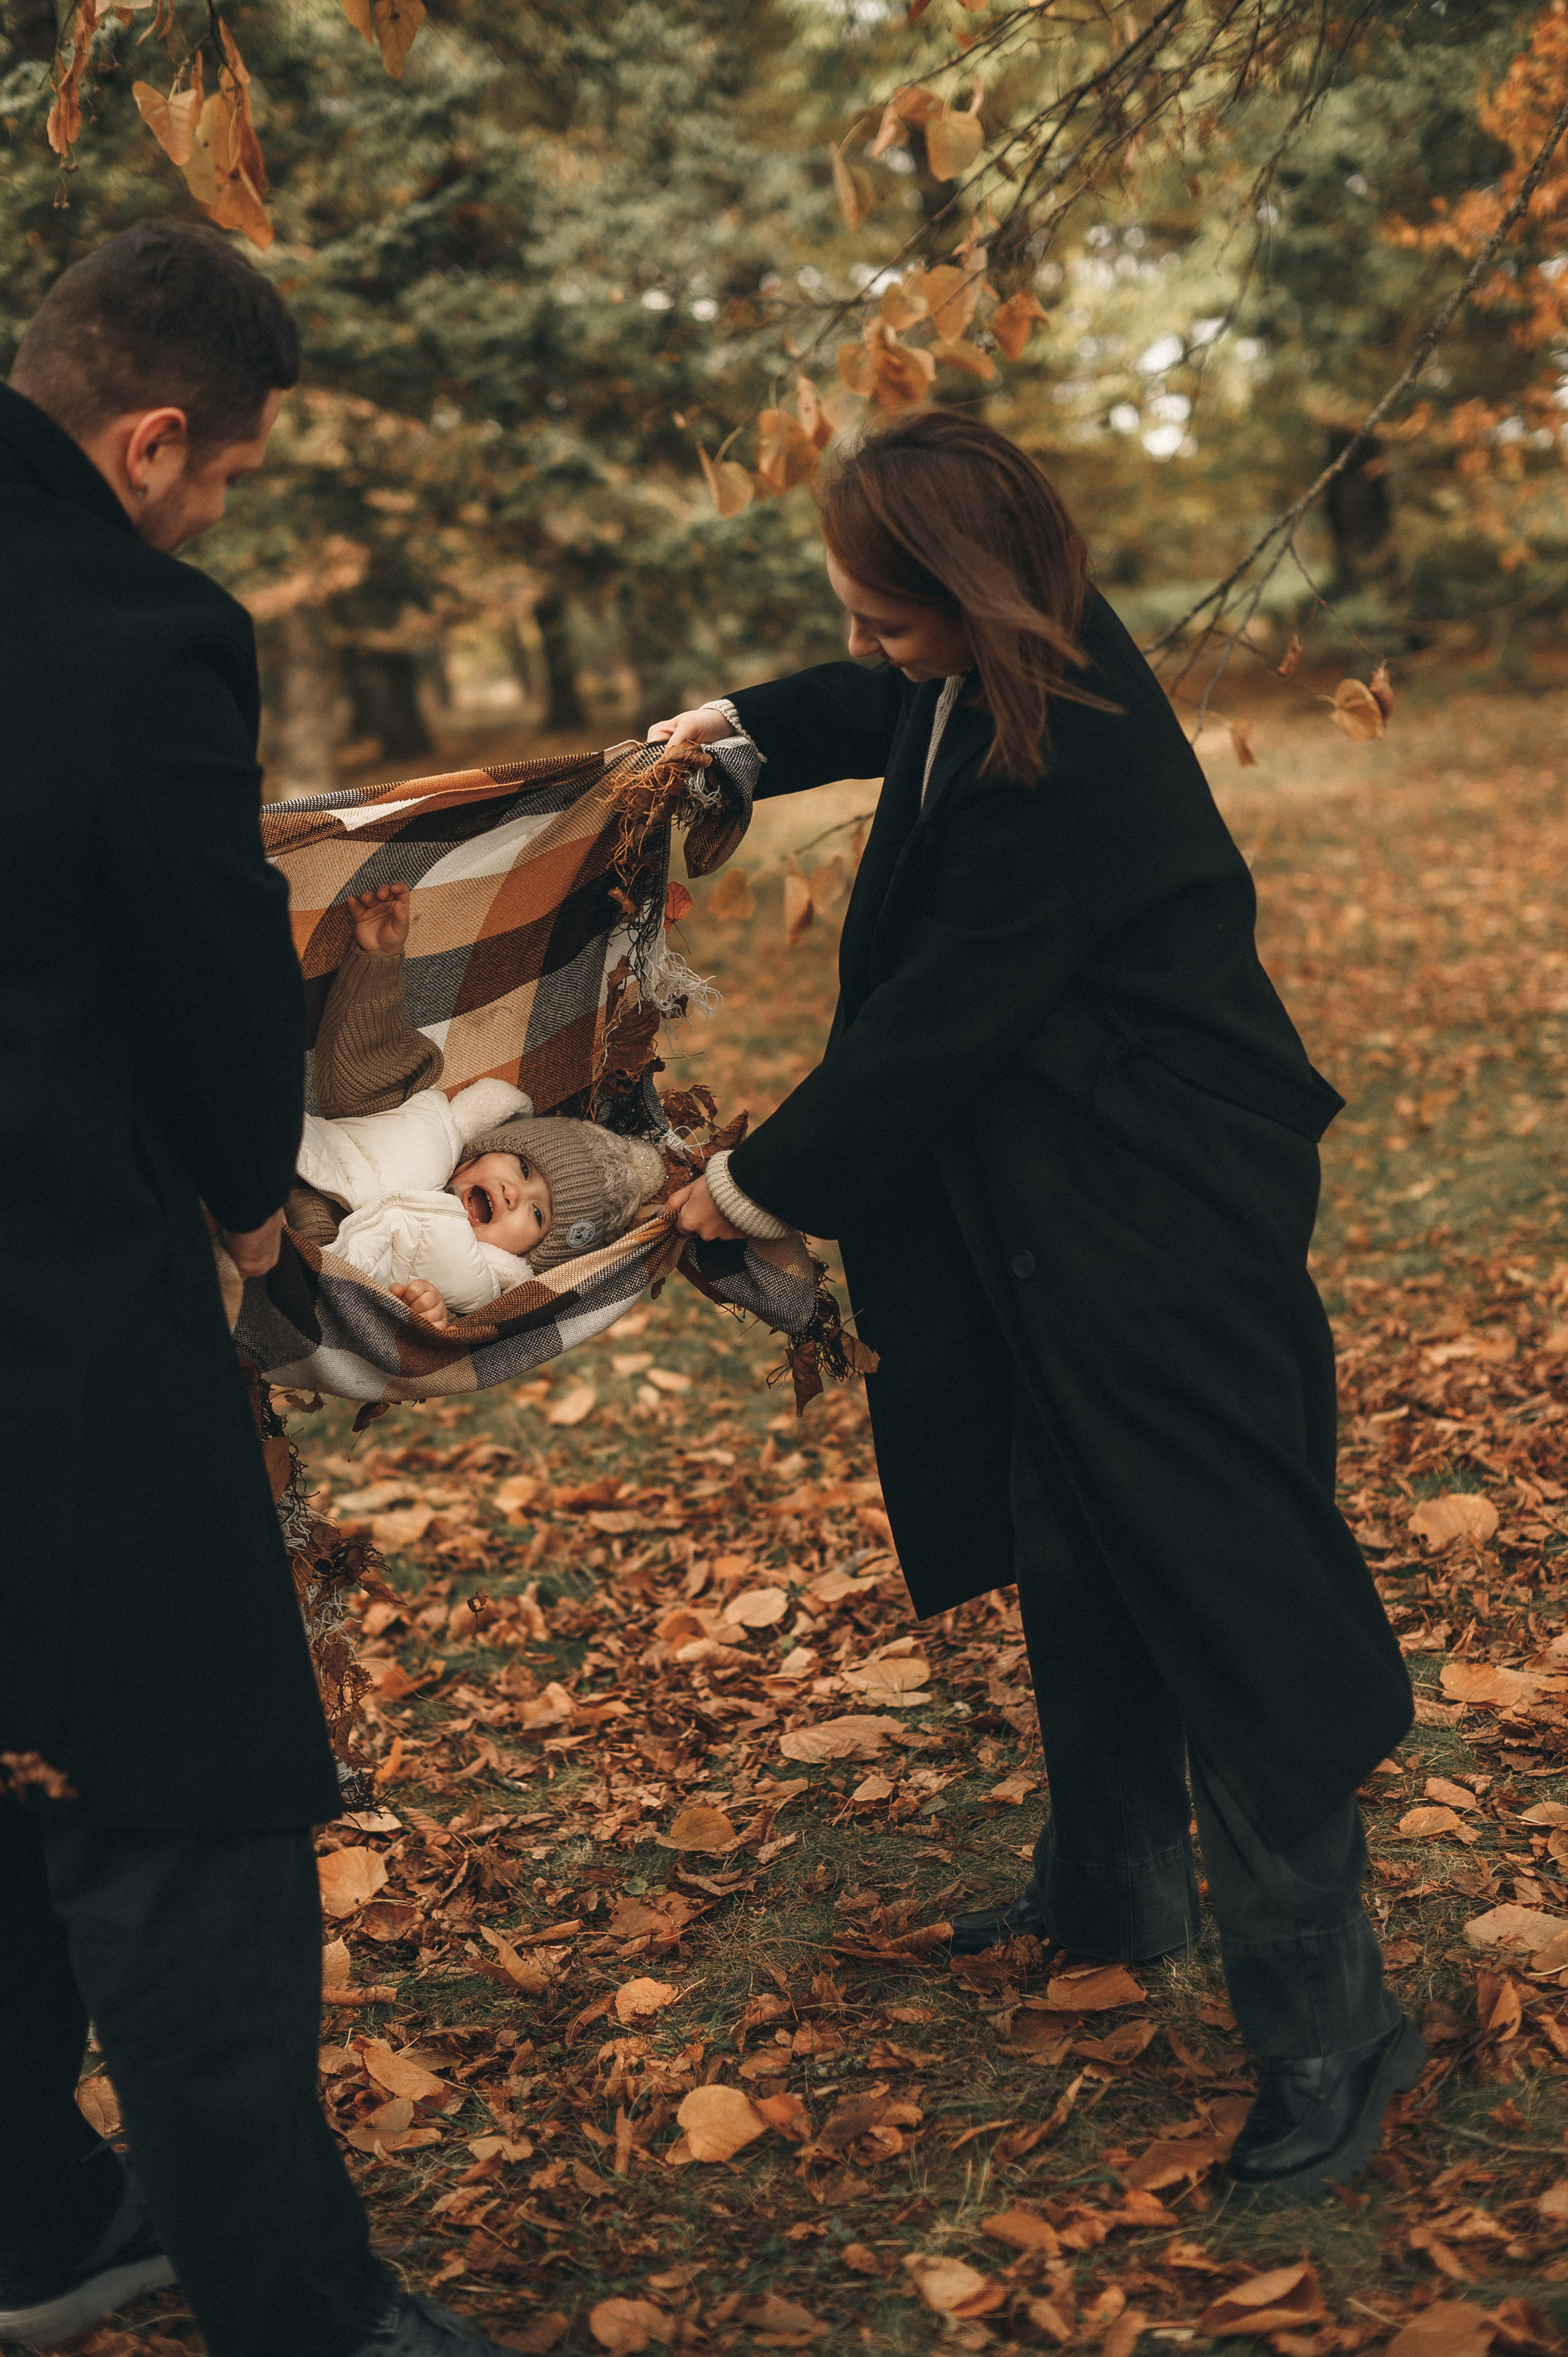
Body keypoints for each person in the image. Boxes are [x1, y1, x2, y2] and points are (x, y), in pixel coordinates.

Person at [652, 408, 1421, 2206]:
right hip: (1049, 1201)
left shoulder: (1063, 755)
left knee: (1219, 1583)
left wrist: (749, 1189)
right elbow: (879, 713)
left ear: (972, 597)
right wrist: (720, 743)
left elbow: (934, 1023)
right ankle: (1111, 1893)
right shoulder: (995, 666)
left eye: (886, 617)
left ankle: (1329, 2021)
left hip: (1158, 1215)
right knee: (1069, 1534)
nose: (868, 647)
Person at [0, 223, 518, 2356]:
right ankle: (301, 2307)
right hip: (52, 1307)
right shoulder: (133, 631)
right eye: (220, 473)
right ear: (148, 441)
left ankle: (40, 2222)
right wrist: (246, 1202)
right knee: (180, 1799)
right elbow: (216, 994)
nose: (218, 512)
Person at [287, 883, 667, 1326]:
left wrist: (429, 1312)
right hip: (258, 1159)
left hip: (295, 1276)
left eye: (537, 1213)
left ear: (527, 1256)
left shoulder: (473, 1282)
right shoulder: (424, 1126)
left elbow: (390, 1329)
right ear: (489, 1144)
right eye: (524, 1169)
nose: (514, 1193)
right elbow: (361, 1063)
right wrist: (376, 959)